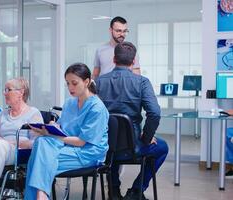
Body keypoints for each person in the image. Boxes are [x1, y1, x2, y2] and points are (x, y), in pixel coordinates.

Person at [24, 63, 109, 200]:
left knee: (40, 159)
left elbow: (82, 142)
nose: (70, 88)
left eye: (74, 83)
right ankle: (42, 195)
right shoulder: (70, 103)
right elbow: (63, 128)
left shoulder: (97, 108)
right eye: (68, 83)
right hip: (67, 147)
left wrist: (52, 134)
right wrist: (52, 127)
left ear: (86, 82)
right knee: (41, 144)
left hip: (88, 153)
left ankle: (41, 196)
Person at [96, 42, 168, 200]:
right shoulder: (142, 82)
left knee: (111, 144)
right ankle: (136, 190)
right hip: (133, 147)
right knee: (162, 147)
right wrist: (147, 138)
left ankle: (114, 191)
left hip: (105, 146)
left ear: (114, 59)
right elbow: (155, 113)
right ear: (134, 61)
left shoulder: (99, 82)